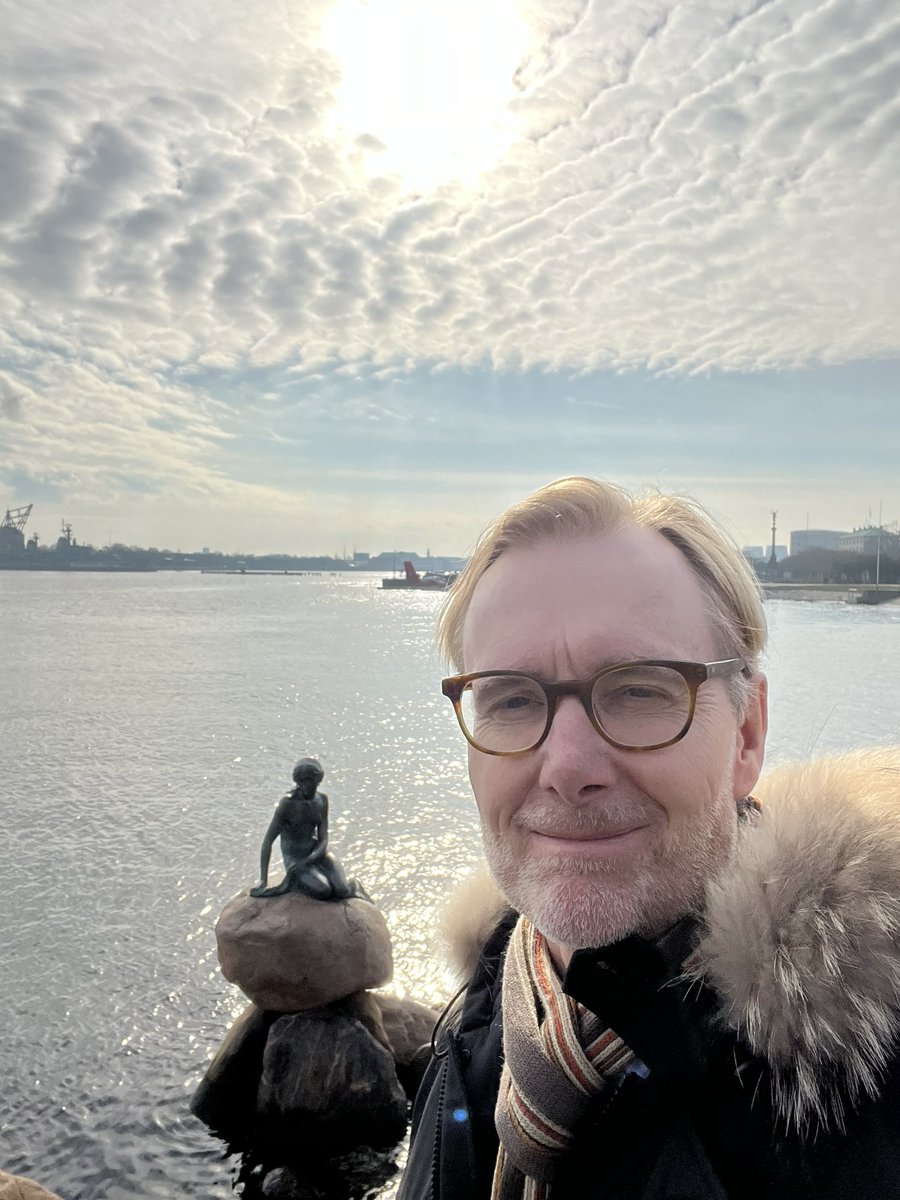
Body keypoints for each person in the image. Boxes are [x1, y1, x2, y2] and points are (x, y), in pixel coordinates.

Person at [399, 476, 900, 1200]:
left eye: (638, 689)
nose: (567, 769)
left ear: (747, 737)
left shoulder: (867, 1107)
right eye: (510, 697)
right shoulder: (486, 1010)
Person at [251, 757, 366, 900]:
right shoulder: (287, 804)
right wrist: (263, 881)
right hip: (296, 858)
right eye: (301, 780)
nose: (304, 785)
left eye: (309, 780)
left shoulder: (322, 800)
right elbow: (267, 842)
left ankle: (355, 886)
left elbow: (323, 838)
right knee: (323, 890)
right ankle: (300, 881)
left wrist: (312, 858)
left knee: (343, 890)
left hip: (317, 853)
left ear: (318, 780)